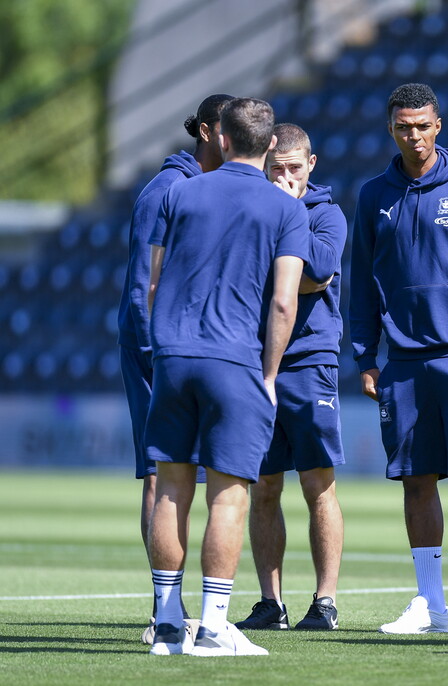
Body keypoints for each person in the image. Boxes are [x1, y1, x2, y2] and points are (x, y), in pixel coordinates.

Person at [144, 97, 311, 657]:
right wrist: (268, 375)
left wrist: (165, 343)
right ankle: (214, 625)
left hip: (171, 354)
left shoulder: (180, 191)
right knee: (228, 495)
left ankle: (168, 624)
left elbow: (153, 282)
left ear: (220, 138)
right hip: (233, 360)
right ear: (269, 146)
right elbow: (284, 304)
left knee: (170, 487)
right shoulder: (286, 208)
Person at [349, 82, 448, 635]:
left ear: (437, 126)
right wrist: (364, 356)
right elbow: (362, 288)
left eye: (422, 126)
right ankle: (429, 605)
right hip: (402, 362)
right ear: (390, 129)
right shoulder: (374, 195)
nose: (413, 136)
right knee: (416, 480)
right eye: (403, 127)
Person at [116, 93, 233, 642]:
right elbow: (145, 283)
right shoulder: (168, 188)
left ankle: (178, 608)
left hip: (192, 348)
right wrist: (157, 352)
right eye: (231, 130)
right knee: (162, 472)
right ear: (208, 132)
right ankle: (164, 607)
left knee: (184, 473)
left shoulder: (207, 188)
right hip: (159, 351)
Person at [235, 123, 347, 632]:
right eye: (276, 169)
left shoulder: (326, 214)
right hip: (256, 364)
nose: (284, 178)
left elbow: (314, 274)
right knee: (263, 487)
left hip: (309, 363)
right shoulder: (250, 210)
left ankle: (325, 601)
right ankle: (269, 601)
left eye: (294, 169)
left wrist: (287, 215)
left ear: (311, 165)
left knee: (317, 484)